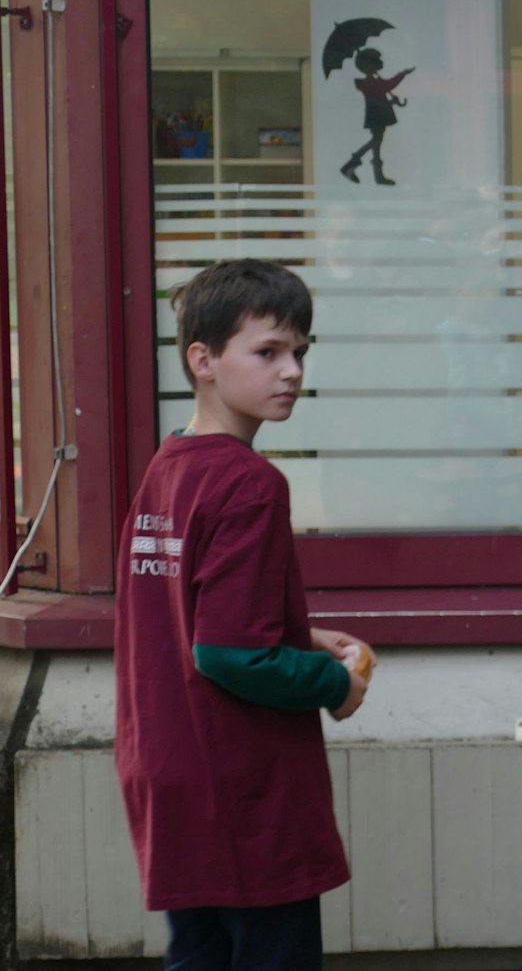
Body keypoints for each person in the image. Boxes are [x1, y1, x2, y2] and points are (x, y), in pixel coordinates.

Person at [115, 259, 373, 970]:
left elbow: (182, 612)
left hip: (168, 773)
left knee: (198, 958)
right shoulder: (250, 483)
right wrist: (335, 686)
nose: (291, 370)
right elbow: (230, 654)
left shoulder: (168, 467)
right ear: (203, 360)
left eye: (300, 352)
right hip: (242, 786)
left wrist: (299, 633)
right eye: (268, 352)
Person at [339, 46, 412, 186]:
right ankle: (352, 163)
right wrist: (402, 75)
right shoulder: (370, 83)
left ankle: (377, 176)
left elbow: (386, 87)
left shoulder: (371, 82)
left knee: (377, 142)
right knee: (377, 140)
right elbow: (386, 88)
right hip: (377, 115)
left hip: (378, 114)